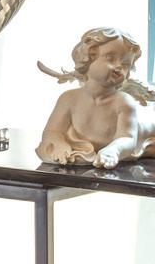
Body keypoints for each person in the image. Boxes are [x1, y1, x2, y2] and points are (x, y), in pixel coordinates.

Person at [35, 28, 155, 169]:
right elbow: (53, 131)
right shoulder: (68, 99)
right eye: (110, 58)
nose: (119, 66)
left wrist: (114, 150)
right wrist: (59, 144)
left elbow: (128, 138)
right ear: (87, 58)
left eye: (125, 65)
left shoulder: (124, 102)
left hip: (142, 134)